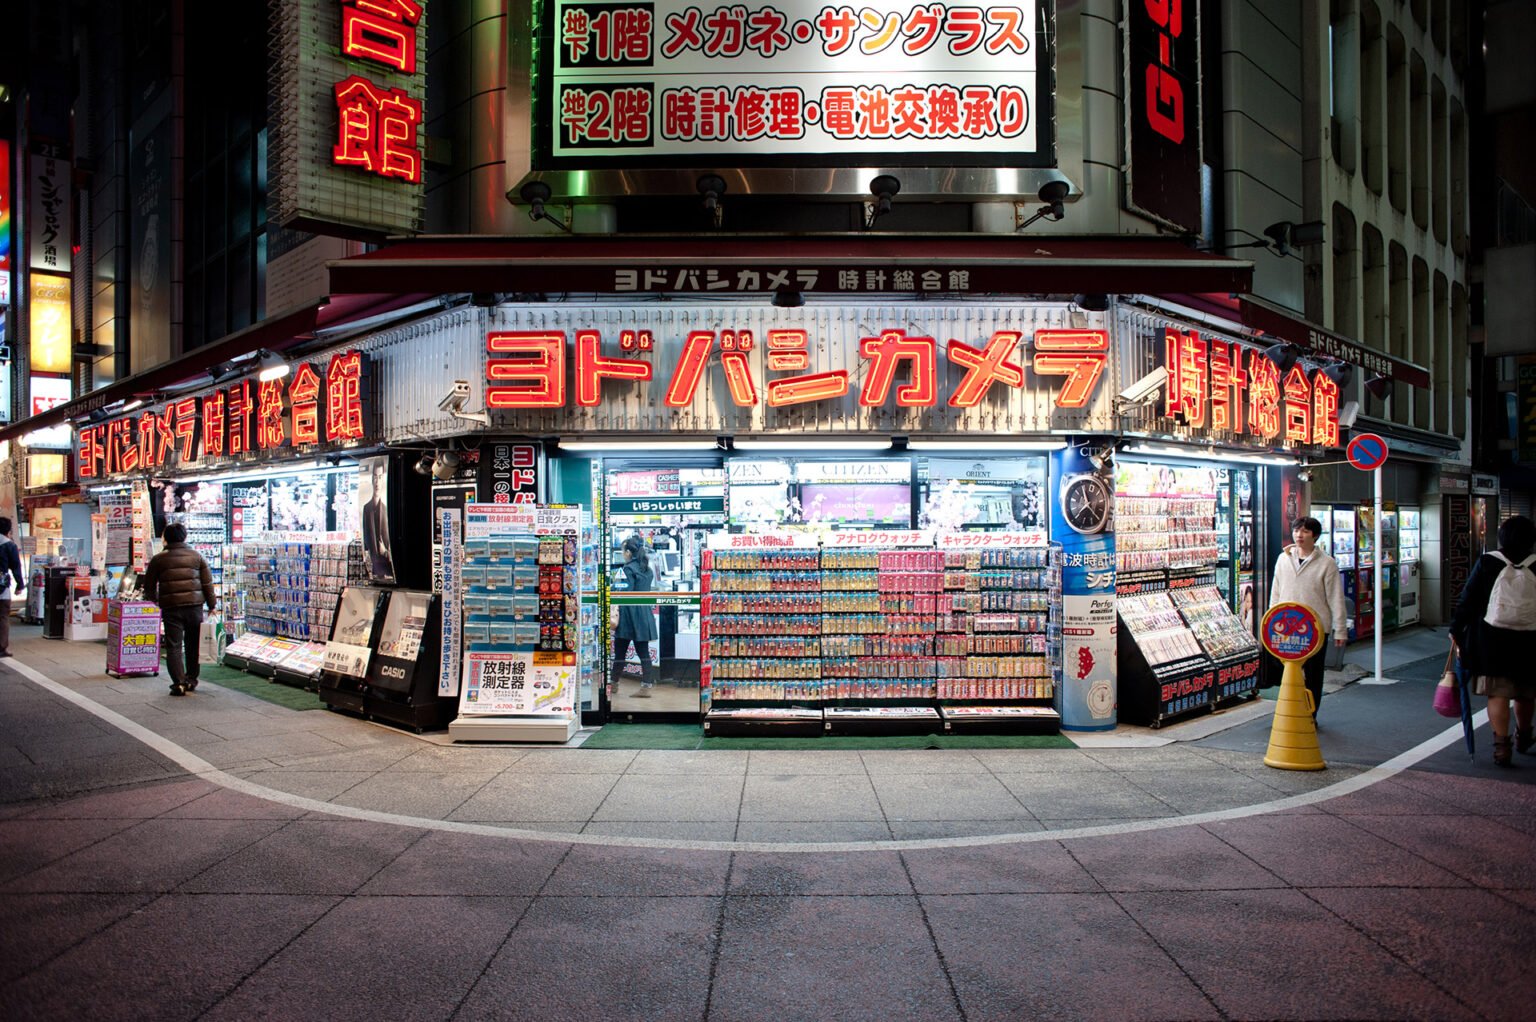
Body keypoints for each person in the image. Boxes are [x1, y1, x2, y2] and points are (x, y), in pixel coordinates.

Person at [1451, 515, 1536, 767]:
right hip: (1530, 640)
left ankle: (1502, 748)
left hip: (1492, 639)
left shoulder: (1488, 562)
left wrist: (1456, 628)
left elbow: (1468, 597)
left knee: (1497, 693)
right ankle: (1524, 736)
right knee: (1526, 693)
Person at [1269, 515, 1348, 721]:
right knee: (1287, 671)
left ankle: (1310, 715)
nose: (1299, 535)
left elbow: (1335, 598)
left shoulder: (1326, 563)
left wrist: (1340, 629)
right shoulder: (1283, 558)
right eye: (1296, 530)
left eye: (1304, 531)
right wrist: (1270, 621)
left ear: (1315, 535)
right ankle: (1290, 712)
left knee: (1313, 673)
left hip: (1315, 628)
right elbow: (1275, 592)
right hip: (1285, 627)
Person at [142, 523, 218, 696]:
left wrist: (155, 602)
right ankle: (191, 679)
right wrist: (212, 605)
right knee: (193, 644)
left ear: (165, 538)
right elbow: (207, 584)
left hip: (171, 607)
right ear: (184, 537)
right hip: (194, 607)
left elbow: (149, 586)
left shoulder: (158, 559)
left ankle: (179, 682)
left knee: (174, 646)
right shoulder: (197, 556)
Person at [611, 534, 658, 698]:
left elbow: (623, 591)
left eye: (623, 551)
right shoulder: (647, 568)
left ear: (629, 553)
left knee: (620, 653)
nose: (623, 554)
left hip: (628, 615)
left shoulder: (627, 569)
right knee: (643, 652)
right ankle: (646, 686)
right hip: (643, 613)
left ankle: (613, 684)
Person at [361, 461, 394, 581]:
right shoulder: (366, 508)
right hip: (372, 569)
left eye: (380, 477)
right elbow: (365, 540)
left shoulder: (387, 510)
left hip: (388, 570)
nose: (377, 481)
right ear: (371, 479)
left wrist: (385, 552)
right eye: (375, 476)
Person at [0, 517, 26, 658]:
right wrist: (19, 585)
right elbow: (16, 566)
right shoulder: (9, 545)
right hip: (2, 587)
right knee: (3, 616)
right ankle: (1, 648)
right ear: (8, 530)